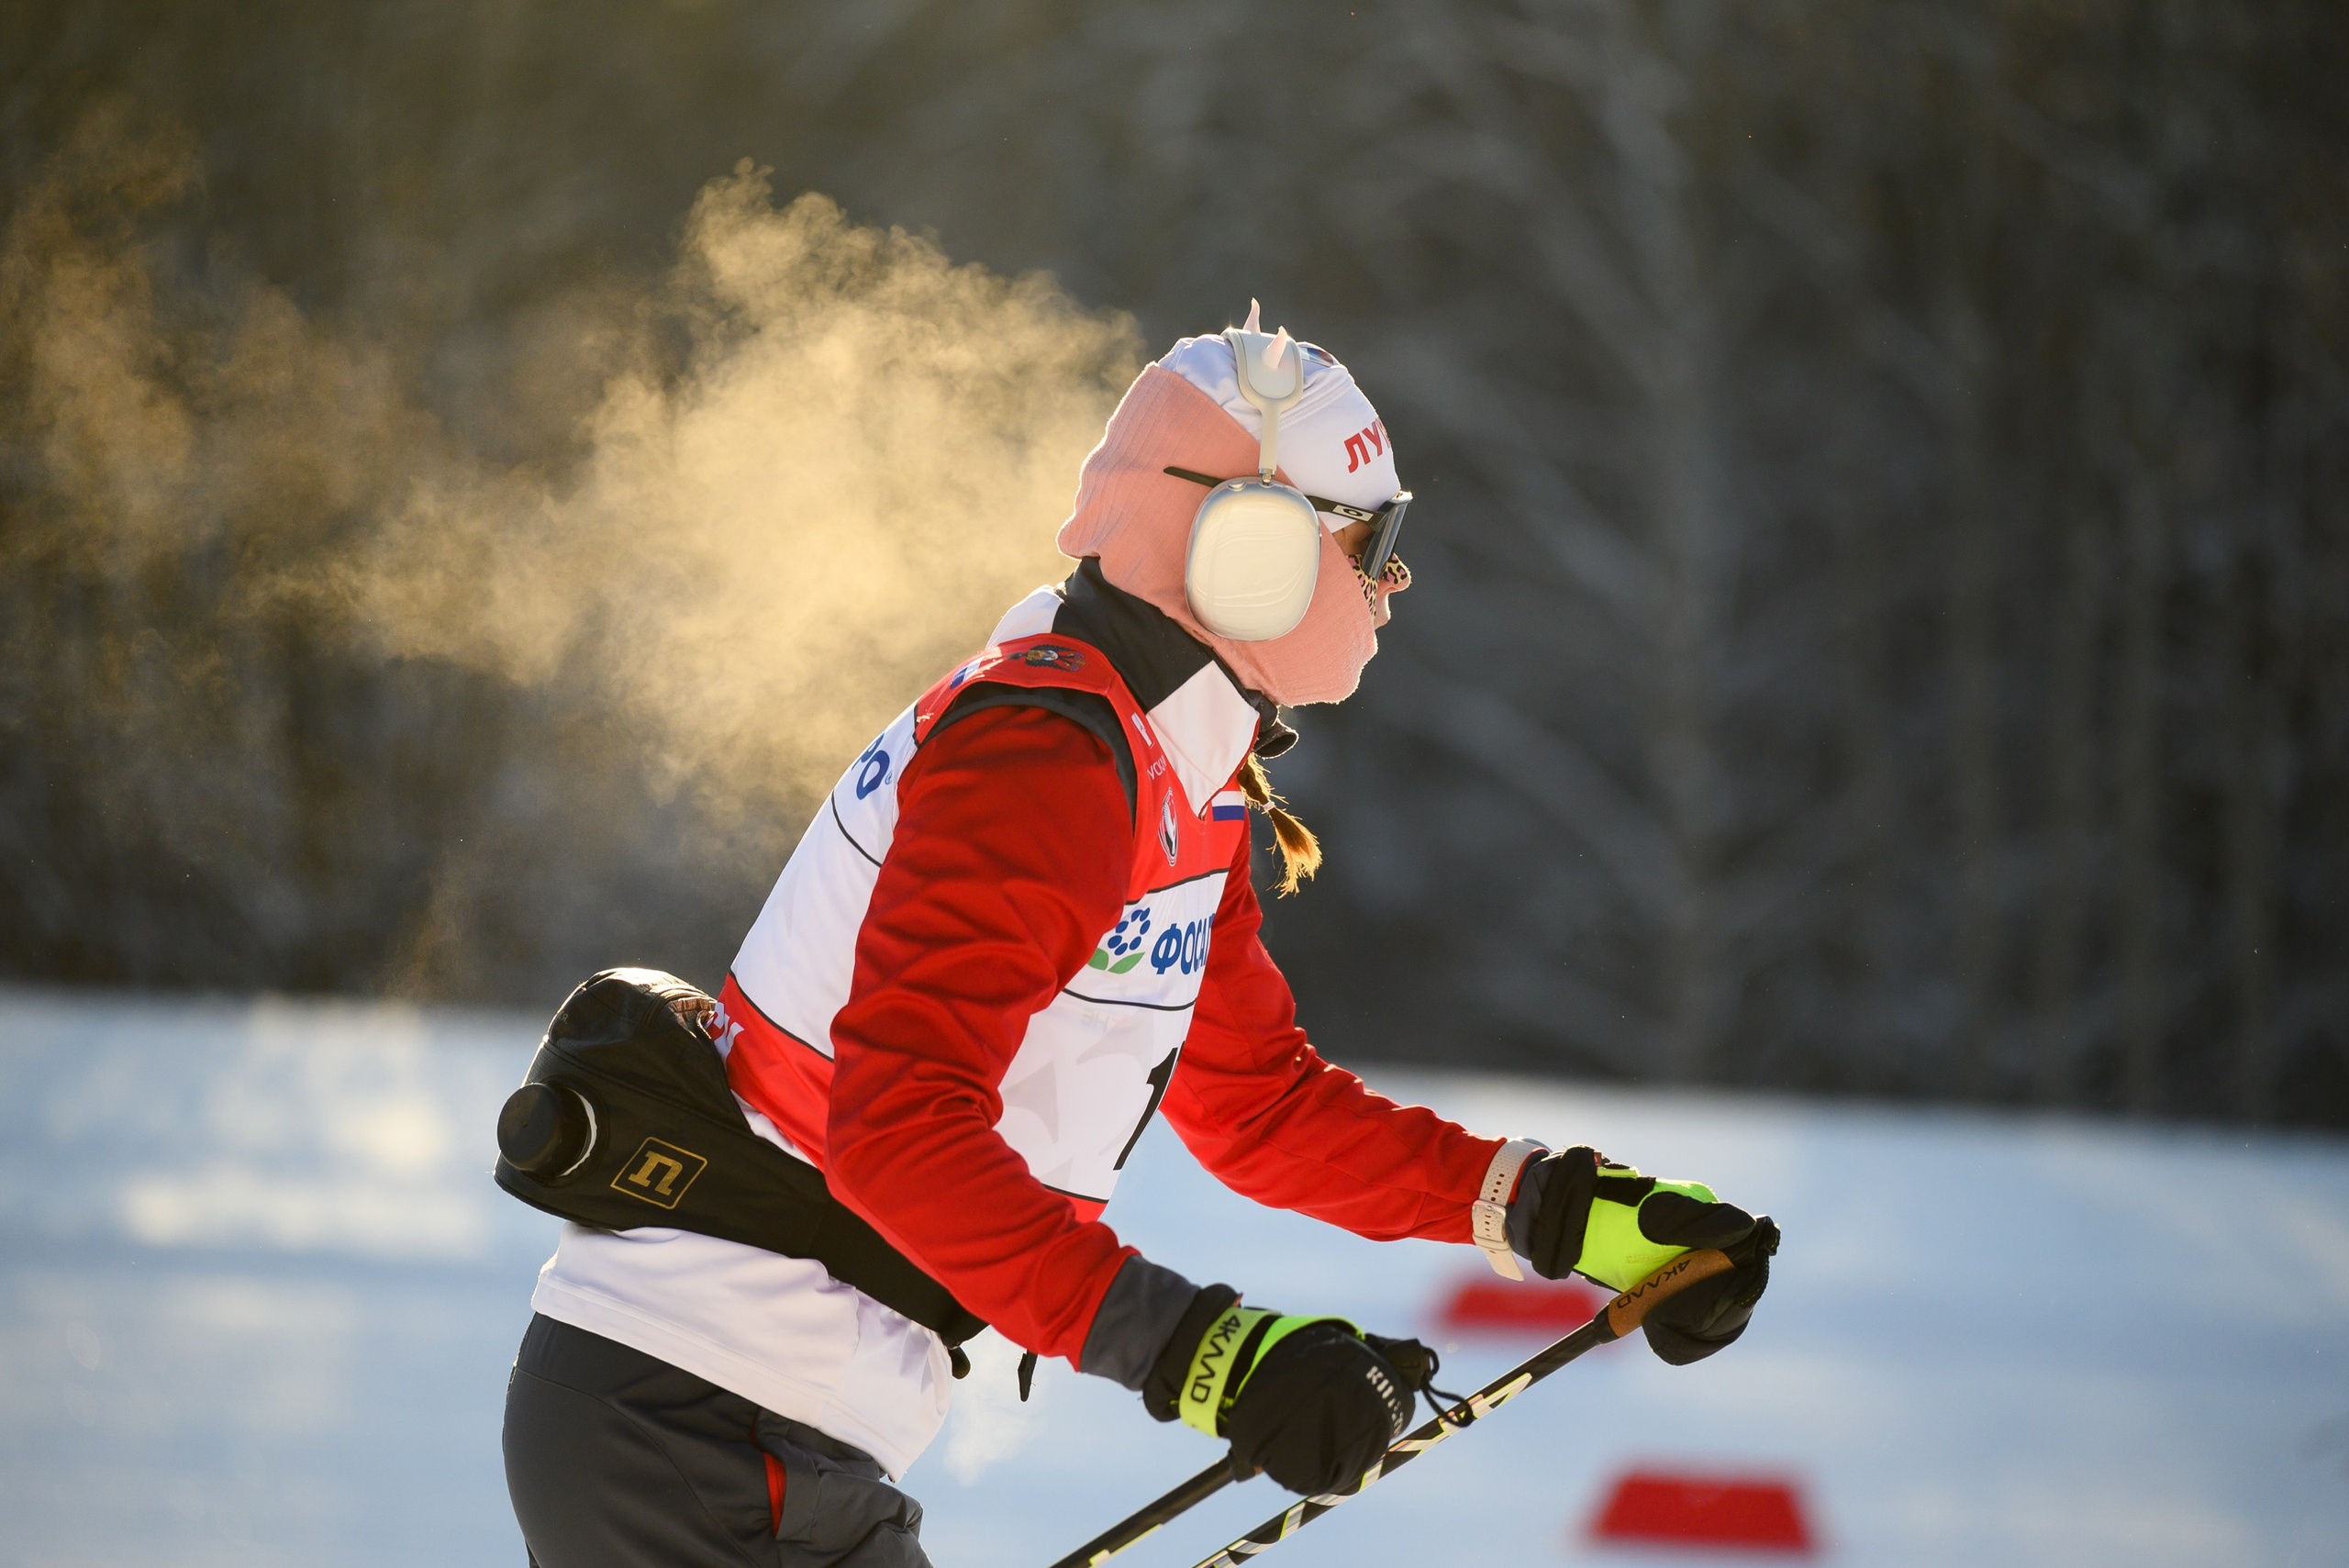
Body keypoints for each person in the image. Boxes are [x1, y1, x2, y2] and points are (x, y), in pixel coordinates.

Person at [500, 308, 1776, 1568]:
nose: (1392, 582)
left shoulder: (1171, 780)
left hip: (734, 1432)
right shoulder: (1045, 757)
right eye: (1368, 539)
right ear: (1251, 548)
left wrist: (1565, 1213)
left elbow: (1260, 1107)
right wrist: (1211, 1357)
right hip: (701, 1423)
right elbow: (899, 1129)